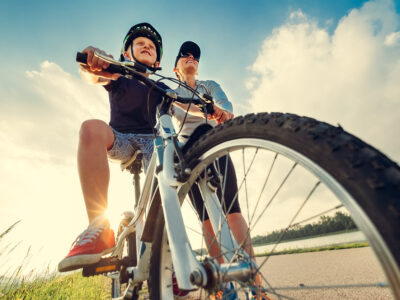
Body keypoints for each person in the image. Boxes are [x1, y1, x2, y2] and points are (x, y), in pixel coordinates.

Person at [58, 23, 169, 272]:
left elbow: (188, 106)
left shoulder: (162, 88)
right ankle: (99, 227)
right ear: (127, 53)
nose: (147, 47)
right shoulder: (119, 74)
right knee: (91, 128)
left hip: (152, 141)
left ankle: (166, 255)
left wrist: (210, 108)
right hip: (120, 138)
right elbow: (91, 73)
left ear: (157, 62)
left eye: (152, 47)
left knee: (169, 157)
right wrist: (92, 56)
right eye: (140, 43)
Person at [172, 41, 269, 300]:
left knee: (233, 212)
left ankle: (257, 287)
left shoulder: (210, 86)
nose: (191, 58)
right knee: (205, 221)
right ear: (176, 67)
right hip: (188, 155)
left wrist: (221, 111)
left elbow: (226, 107)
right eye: (185, 55)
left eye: (195, 56)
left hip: (215, 146)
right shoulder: (170, 91)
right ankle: (220, 288)